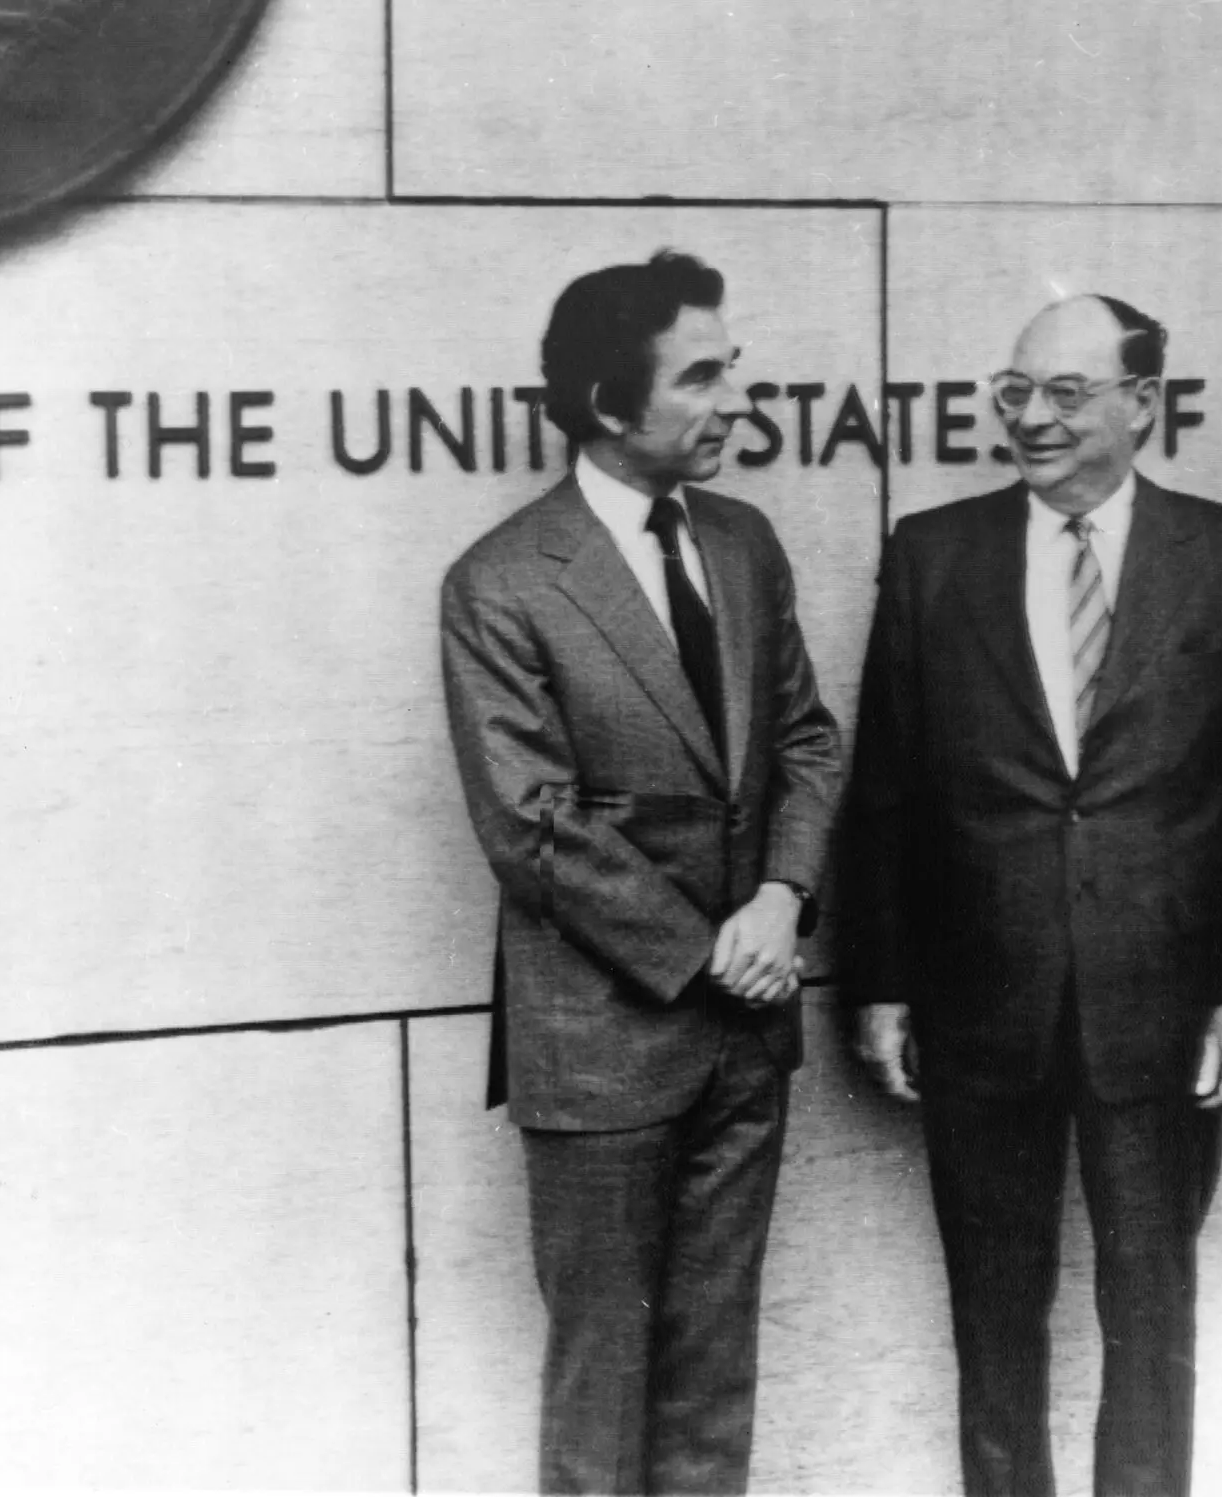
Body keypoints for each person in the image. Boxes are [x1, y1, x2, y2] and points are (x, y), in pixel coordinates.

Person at [845, 294, 1222, 1497]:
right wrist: (880, 984)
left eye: (1064, 393)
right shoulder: (931, 555)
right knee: (994, 1323)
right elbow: (886, 787)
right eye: (1013, 390)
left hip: (1160, 1008)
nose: (1029, 418)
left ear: (1140, 404)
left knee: (1153, 1323)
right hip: (978, 1004)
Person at [440, 250, 840, 1495]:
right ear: (612, 404)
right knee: (601, 1384)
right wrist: (705, 954)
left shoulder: (744, 541)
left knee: (713, 1379)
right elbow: (533, 824)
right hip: (604, 1053)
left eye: (735, 370)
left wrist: (779, 902)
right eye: (704, 377)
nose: (736, 402)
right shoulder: (502, 582)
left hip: (745, 1043)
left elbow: (803, 740)